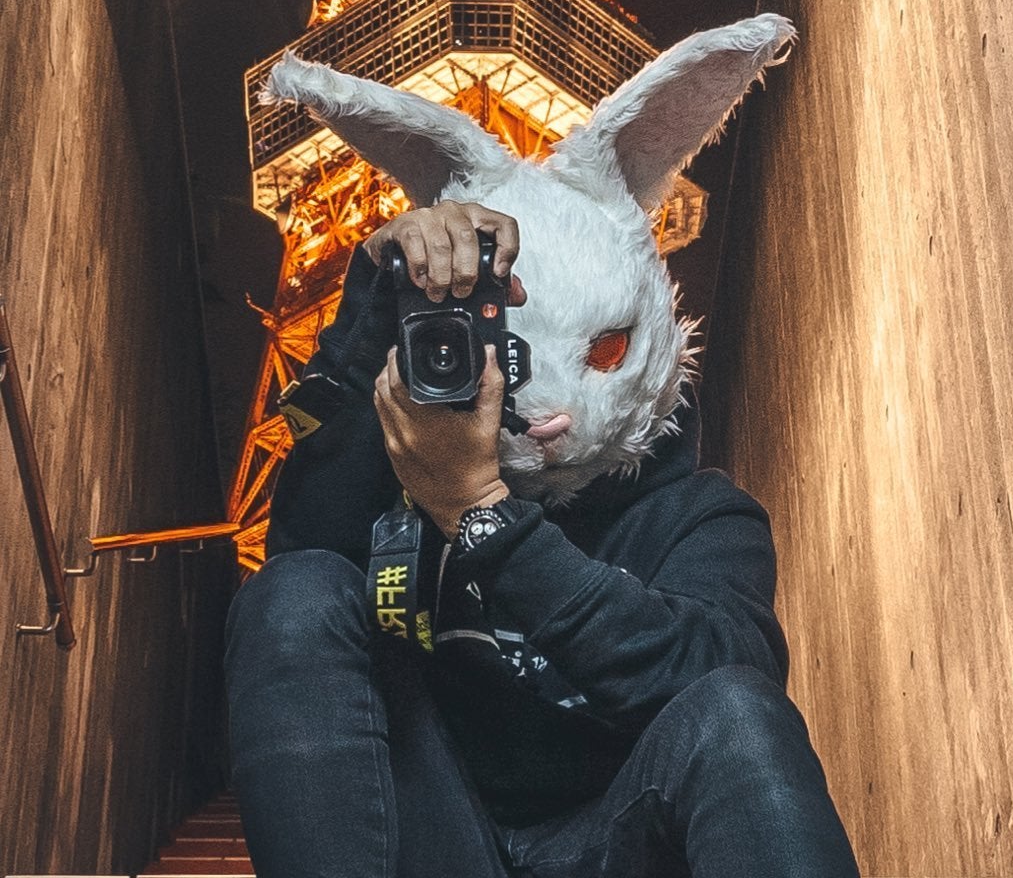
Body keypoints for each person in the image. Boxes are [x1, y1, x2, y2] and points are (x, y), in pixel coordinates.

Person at [224, 198, 859, 878]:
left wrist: (482, 513)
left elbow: (730, 686)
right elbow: (297, 599)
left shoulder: (701, 515)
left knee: (734, 709)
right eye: (504, 353)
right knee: (295, 590)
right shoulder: (404, 486)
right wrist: (374, 302)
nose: (539, 400)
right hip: (436, 835)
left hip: (619, 839)